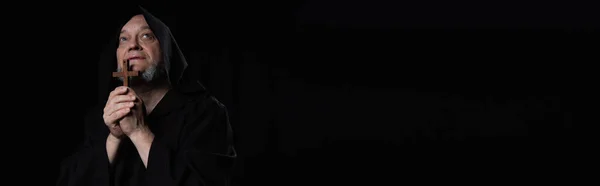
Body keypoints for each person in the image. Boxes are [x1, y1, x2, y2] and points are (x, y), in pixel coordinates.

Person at [56, 6, 237, 186]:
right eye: (124, 39)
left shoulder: (205, 113)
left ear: (166, 50)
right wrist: (114, 139)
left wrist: (139, 133)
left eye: (146, 36)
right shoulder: (102, 117)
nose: (132, 45)